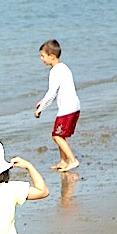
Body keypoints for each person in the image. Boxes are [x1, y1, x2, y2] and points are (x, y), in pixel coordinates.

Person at [34, 39, 80, 173]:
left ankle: (72, 160)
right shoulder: (64, 67)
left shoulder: (55, 71)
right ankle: (62, 161)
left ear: (51, 56)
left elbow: (52, 93)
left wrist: (40, 109)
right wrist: (41, 101)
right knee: (61, 134)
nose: (41, 59)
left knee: (56, 136)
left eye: (43, 56)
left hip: (67, 109)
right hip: (74, 106)